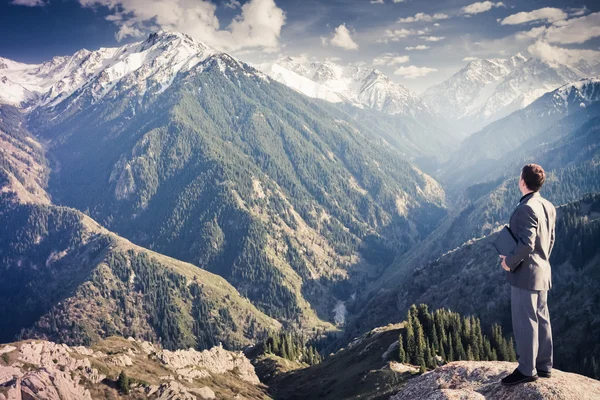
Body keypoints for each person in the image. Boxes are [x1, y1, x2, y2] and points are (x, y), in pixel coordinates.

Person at [499, 164, 556, 386]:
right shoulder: (548, 206)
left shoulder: (526, 208)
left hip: (525, 275)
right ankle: (544, 366)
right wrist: (541, 262)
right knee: (542, 319)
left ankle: (526, 370)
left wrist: (508, 262)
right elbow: (549, 240)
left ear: (523, 181)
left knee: (525, 321)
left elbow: (526, 245)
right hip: (542, 272)